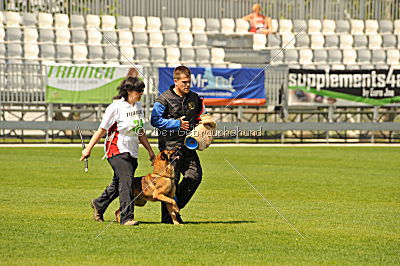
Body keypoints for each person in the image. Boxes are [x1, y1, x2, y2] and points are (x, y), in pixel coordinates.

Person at [80, 76, 156, 226]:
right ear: (128, 91)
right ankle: (126, 217)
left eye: (142, 90)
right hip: (116, 149)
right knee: (126, 182)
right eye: (138, 90)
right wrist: (88, 149)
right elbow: (101, 130)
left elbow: (140, 131)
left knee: (118, 184)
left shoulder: (139, 108)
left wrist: (150, 151)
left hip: (132, 151)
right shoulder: (115, 107)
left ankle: (99, 204)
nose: (141, 93)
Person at [151, 66, 206, 224]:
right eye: (184, 82)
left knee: (194, 177)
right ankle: (168, 218)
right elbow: (154, 120)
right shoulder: (163, 98)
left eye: (189, 82)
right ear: (175, 81)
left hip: (188, 147)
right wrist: (176, 124)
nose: (187, 85)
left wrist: (205, 125)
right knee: (170, 182)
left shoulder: (195, 98)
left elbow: (199, 117)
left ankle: (174, 209)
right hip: (169, 149)